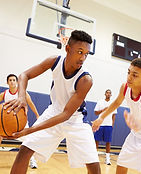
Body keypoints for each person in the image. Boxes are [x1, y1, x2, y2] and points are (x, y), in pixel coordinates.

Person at [4, 30, 101, 174]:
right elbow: (24, 75)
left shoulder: (86, 80)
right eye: (80, 52)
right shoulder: (54, 61)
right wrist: (21, 97)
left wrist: (30, 130)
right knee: (24, 150)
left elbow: (66, 114)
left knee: (93, 166)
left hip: (75, 120)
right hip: (53, 111)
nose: (83, 58)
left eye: (86, 54)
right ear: (68, 48)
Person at [92, 57, 141, 174]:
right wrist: (101, 117)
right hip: (137, 134)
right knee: (122, 163)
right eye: (128, 72)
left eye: (135, 75)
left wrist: (139, 123)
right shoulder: (125, 87)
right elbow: (116, 102)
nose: (129, 77)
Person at [0, 74, 39, 169]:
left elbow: (31, 104)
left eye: (14, 80)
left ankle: (32, 160)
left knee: (28, 142)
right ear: (7, 82)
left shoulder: (22, 93)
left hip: (21, 123)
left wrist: (37, 115)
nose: (12, 82)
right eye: (10, 80)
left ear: (17, 82)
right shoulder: (4, 94)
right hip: (6, 124)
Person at [94, 89, 117, 165]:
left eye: (109, 93)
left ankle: (107, 159)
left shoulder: (113, 104)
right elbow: (95, 112)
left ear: (111, 95)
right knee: (96, 141)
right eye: (107, 93)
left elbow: (114, 115)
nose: (108, 94)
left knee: (108, 142)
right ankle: (94, 158)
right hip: (100, 124)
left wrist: (112, 124)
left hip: (108, 125)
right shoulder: (100, 102)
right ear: (105, 94)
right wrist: (102, 110)